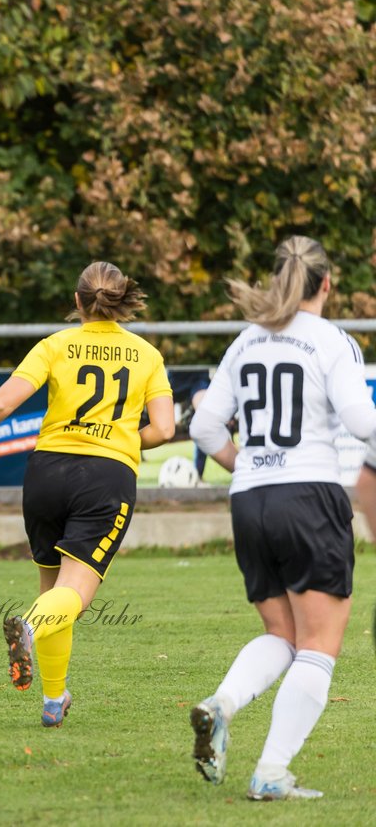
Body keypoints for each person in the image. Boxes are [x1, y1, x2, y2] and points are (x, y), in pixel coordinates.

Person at [187, 236, 376, 801]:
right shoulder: (333, 341)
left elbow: (203, 429)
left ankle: (221, 703)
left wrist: (247, 463)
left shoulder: (246, 341)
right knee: (319, 644)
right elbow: (362, 423)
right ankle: (271, 772)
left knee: (283, 634)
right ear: (326, 284)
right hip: (309, 497)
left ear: (276, 280)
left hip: (250, 499)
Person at [0, 261, 174, 726]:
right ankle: (28, 625)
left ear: (77, 301)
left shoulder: (55, 345)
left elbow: (3, 402)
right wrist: (125, 437)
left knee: (53, 588)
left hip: (46, 473)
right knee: (70, 595)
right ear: (122, 300)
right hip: (106, 477)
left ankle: (54, 701)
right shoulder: (146, 354)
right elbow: (166, 428)